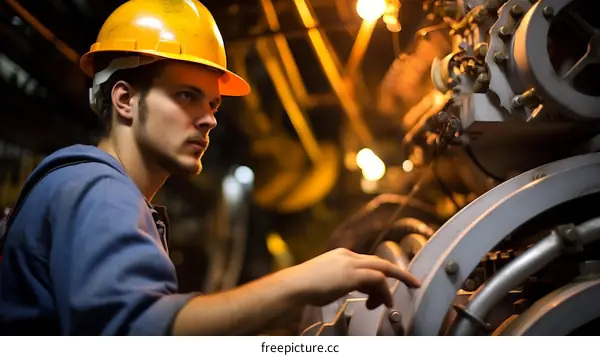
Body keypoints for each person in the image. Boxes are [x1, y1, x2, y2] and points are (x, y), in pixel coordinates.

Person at [0, 0, 420, 336]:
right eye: (186, 96)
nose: (210, 118)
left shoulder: (108, 196)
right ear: (124, 100)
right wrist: (303, 280)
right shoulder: (94, 187)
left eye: (213, 103)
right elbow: (140, 333)